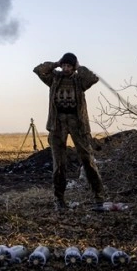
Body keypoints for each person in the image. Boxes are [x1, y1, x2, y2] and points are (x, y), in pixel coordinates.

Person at [33, 52, 105, 210]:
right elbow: (38, 70)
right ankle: (59, 200)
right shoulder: (54, 78)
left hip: (77, 123)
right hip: (57, 124)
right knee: (59, 163)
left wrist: (79, 67)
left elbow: (93, 78)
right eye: (64, 65)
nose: (66, 68)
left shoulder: (80, 80)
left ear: (73, 67)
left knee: (87, 160)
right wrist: (55, 63)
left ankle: (99, 199)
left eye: (69, 66)